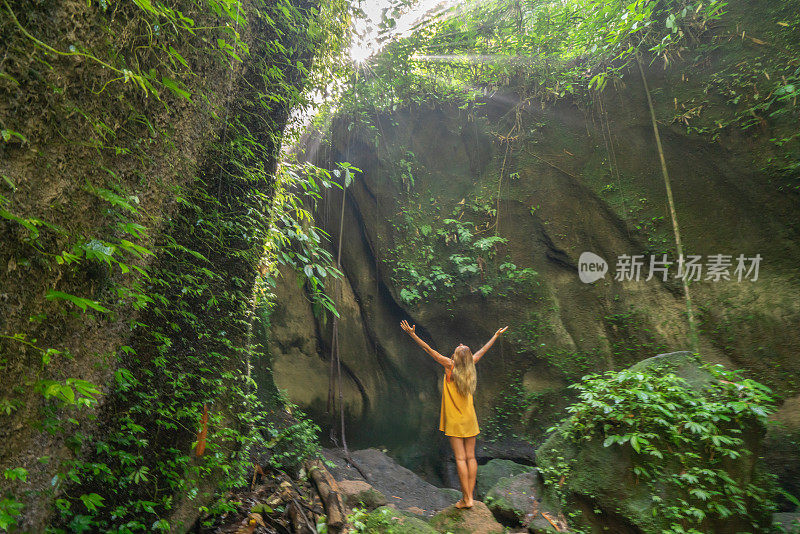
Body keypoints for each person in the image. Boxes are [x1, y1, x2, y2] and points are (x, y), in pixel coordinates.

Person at [400, 320, 509, 509]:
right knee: (471, 458)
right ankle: (470, 498)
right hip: (470, 418)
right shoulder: (470, 366)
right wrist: (495, 336)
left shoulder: (450, 366)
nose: (460, 344)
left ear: (458, 356)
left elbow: (428, 350)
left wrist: (412, 334)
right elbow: (482, 351)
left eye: (462, 347)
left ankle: (466, 499)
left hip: (455, 421)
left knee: (460, 459)